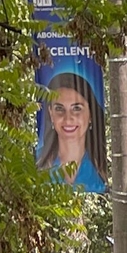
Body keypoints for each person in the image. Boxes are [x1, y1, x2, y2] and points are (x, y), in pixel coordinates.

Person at [38, 67, 108, 195]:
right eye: (59, 108)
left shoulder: (103, 167)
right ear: (50, 113)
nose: (68, 118)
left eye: (76, 108)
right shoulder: (35, 162)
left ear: (91, 114)